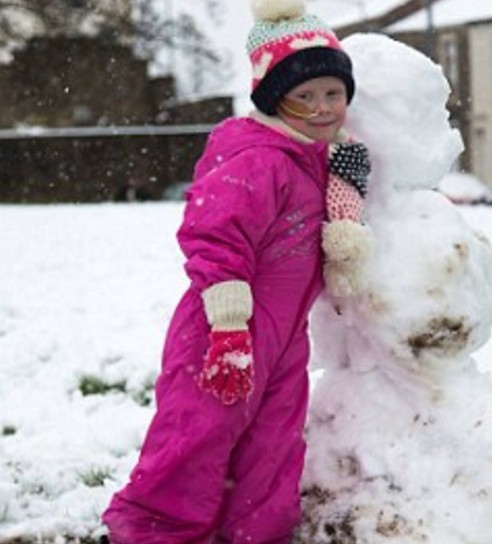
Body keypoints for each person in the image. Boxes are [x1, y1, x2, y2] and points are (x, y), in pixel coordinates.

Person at [100, 0, 371, 542]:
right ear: (275, 98)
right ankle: (155, 531)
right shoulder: (257, 158)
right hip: (223, 328)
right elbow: (214, 234)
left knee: (273, 442)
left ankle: (256, 533)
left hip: (285, 337)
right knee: (198, 435)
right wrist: (227, 327)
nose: (323, 108)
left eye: (334, 94)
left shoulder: (321, 158)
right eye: (305, 96)